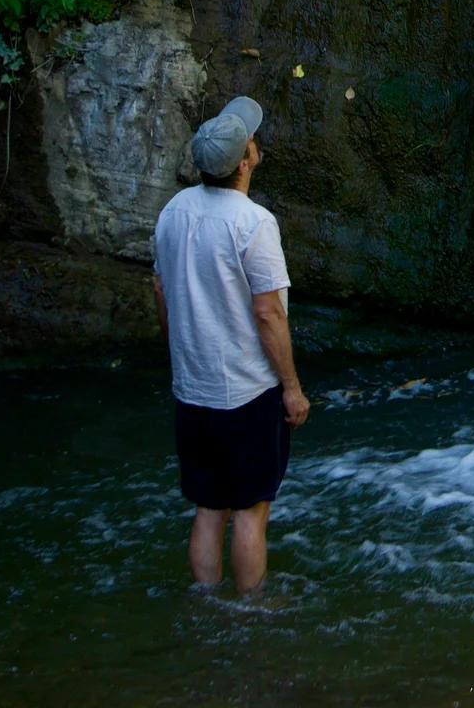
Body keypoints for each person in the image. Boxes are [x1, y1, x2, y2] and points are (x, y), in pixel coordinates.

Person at [152, 95, 311, 594]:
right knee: (250, 510)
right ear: (245, 161)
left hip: (191, 388)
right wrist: (291, 387)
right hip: (246, 391)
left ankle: (205, 608)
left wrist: (177, 349)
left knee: (208, 508)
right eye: (250, 140)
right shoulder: (253, 223)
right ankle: (250, 613)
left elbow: (161, 291)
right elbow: (268, 312)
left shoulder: (172, 212)